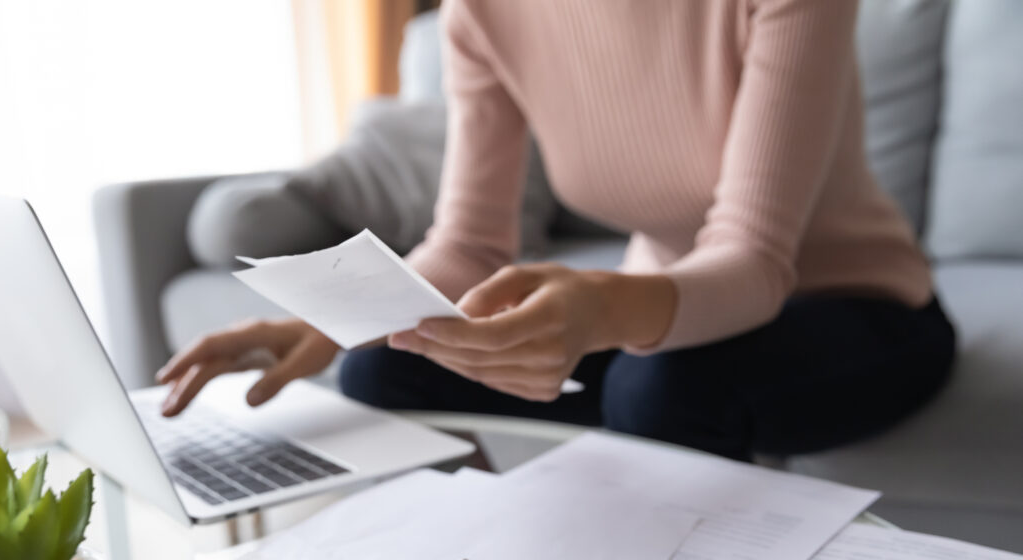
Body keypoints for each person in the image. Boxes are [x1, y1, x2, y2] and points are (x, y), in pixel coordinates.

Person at [157, 0, 955, 462]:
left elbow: (753, 260)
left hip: (859, 308)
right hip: (665, 318)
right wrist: (326, 324)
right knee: (386, 371)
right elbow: (468, 246)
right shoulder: (484, 14)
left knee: (661, 386)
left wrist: (601, 308)